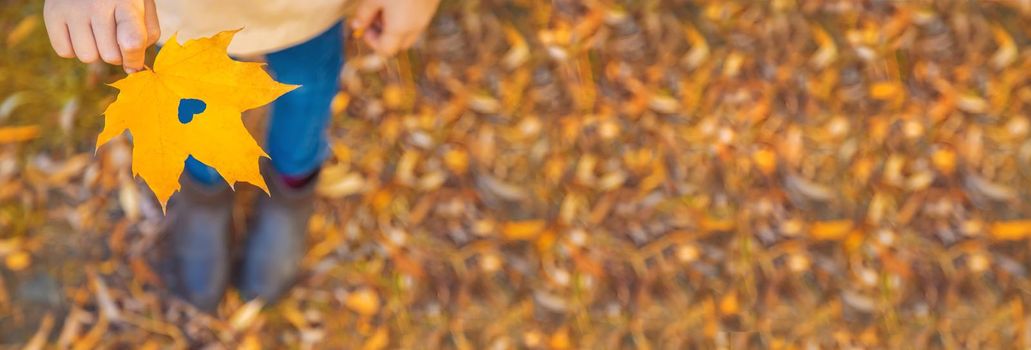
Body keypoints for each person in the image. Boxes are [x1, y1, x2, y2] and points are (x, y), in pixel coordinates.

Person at [41, 0, 441, 312]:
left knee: (305, 84)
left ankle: (293, 188)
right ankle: (205, 192)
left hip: (308, 11)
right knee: (190, 98)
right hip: (184, 13)